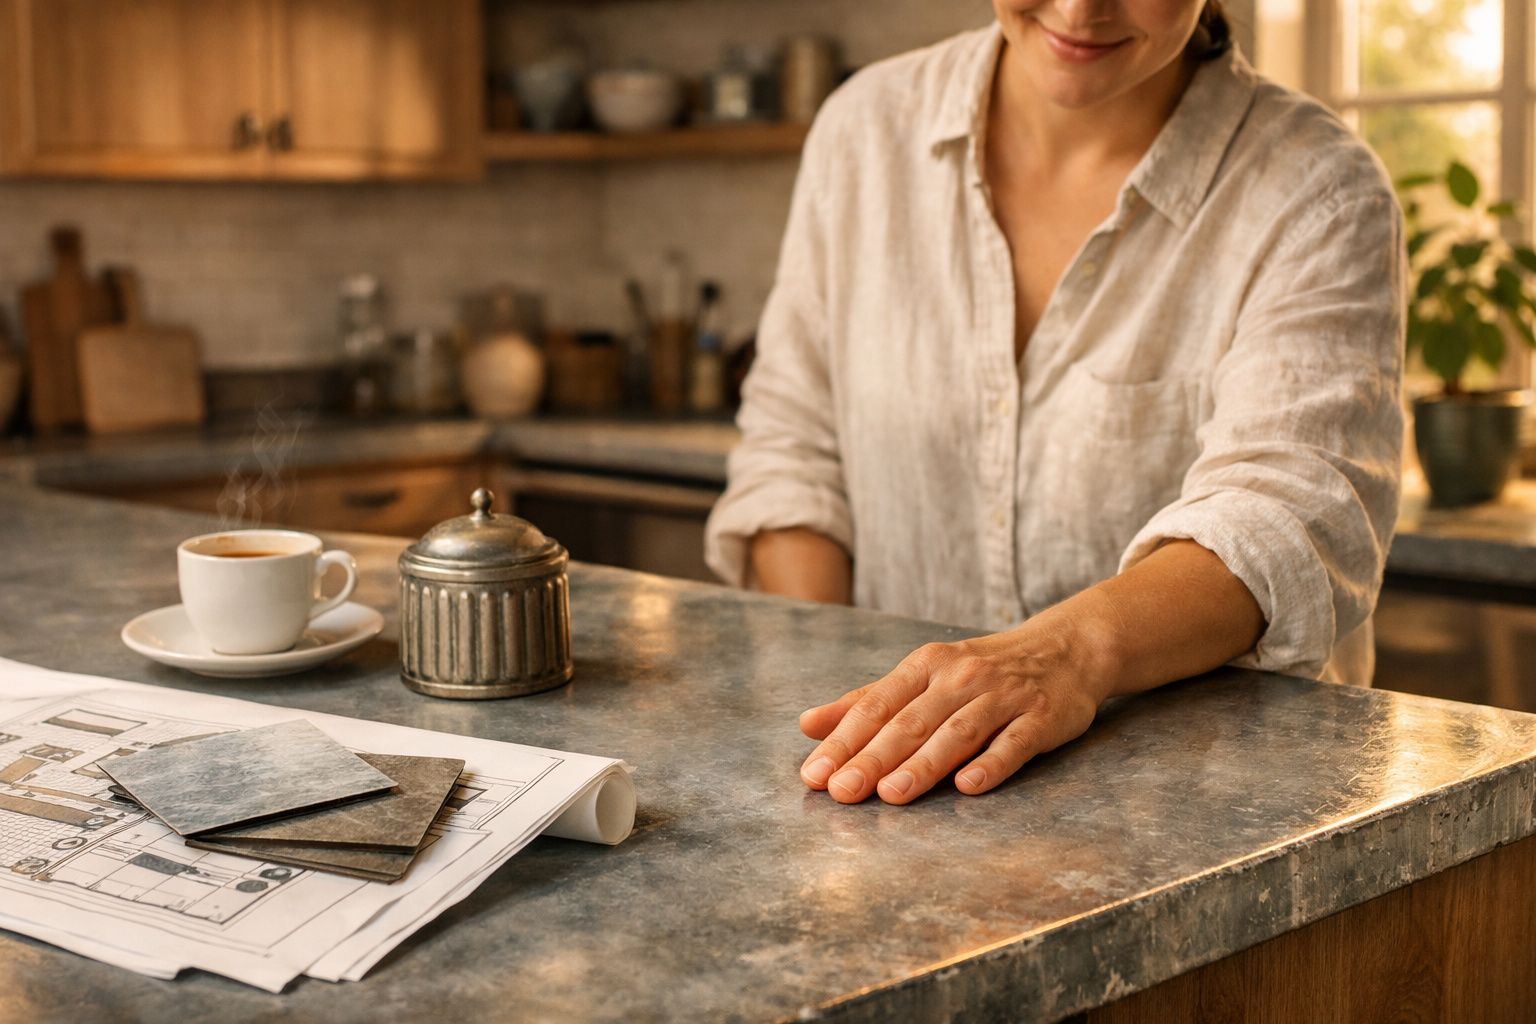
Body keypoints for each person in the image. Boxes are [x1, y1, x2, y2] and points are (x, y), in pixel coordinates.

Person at [704, 0, 1404, 806]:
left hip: (1200, 812)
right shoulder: (864, 130)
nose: (1080, 9)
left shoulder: (1320, 191)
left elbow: (1285, 518)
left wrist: (1063, 656)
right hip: (892, 802)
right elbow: (792, 447)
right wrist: (867, 711)